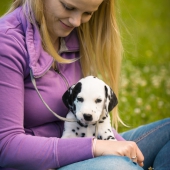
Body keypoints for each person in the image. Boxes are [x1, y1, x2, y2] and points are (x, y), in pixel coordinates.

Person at [0, 0, 169, 170]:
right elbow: (6, 147)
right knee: (119, 167)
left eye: (87, 13)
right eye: (68, 7)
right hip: (38, 164)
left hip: (85, 144)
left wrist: (124, 148)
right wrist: (94, 148)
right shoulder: (7, 42)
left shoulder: (72, 32)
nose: (76, 22)